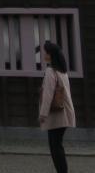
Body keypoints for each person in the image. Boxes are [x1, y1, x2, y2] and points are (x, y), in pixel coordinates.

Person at [38, 40, 76, 173]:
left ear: (51, 55)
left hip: (57, 114)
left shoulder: (51, 71)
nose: (44, 55)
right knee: (57, 145)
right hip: (65, 112)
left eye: (46, 53)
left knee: (55, 147)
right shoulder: (62, 71)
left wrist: (43, 114)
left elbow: (48, 94)